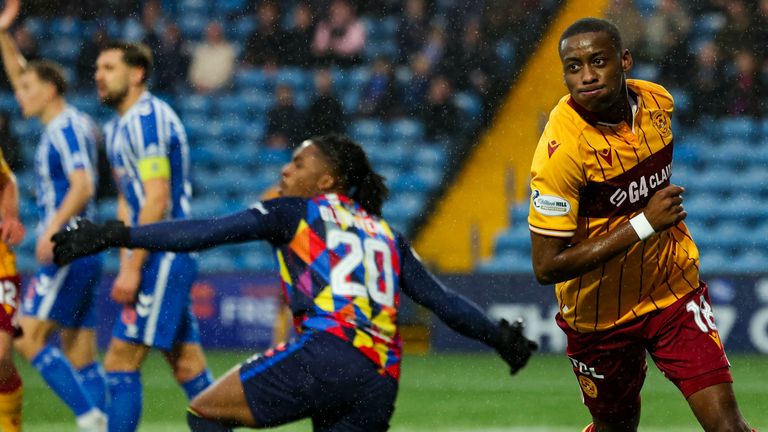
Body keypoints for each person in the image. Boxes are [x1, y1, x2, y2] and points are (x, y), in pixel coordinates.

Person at [52, 134, 538, 432]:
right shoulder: (387, 233)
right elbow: (443, 302)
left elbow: (206, 232)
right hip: (381, 376)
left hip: (328, 352)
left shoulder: (295, 214)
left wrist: (115, 234)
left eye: (299, 163)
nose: (286, 169)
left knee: (206, 413)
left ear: (326, 181)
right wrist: (501, 339)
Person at [527, 18, 754, 432]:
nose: (587, 76)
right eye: (574, 67)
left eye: (598, 61)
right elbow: (546, 267)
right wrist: (643, 224)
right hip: (598, 319)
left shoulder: (658, 102)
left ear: (625, 60)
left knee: (729, 427)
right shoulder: (560, 153)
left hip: (672, 293)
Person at [93, 41, 213, 432]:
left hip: (166, 253)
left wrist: (133, 266)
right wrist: (127, 258)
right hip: (156, 253)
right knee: (188, 366)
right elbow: (130, 202)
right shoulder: (117, 129)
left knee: (119, 361)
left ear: (137, 74)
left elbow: (157, 199)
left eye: (109, 67)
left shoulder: (149, 119)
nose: (98, 75)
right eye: (97, 67)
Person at [0, 2, 107, 431]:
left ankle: (89, 417)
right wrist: (3, 33)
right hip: (87, 246)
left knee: (26, 337)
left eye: (27, 88)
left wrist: (50, 229)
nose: (18, 93)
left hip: (70, 243)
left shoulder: (65, 128)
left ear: (49, 89)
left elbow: (83, 185)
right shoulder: (66, 122)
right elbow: (18, 70)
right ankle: (103, 424)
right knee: (81, 350)